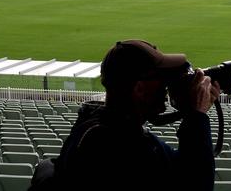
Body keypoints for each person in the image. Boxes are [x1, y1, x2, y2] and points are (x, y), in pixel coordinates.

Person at [35, 40, 220, 191]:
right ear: (139, 88)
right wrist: (196, 116)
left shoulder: (91, 125)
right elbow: (196, 184)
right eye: (161, 81)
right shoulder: (126, 145)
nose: (166, 87)